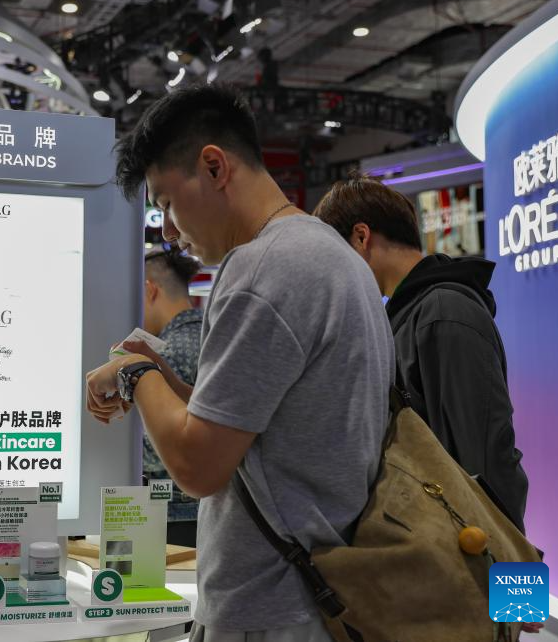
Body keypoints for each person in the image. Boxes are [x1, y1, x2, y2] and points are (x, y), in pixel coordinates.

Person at [85, 83, 394, 641]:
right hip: (314, 595)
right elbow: (252, 426)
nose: (168, 232)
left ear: (214, 166)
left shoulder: (261, 269)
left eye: (166, 204)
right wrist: (157, 377)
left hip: (269, 608)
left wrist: (136, 373)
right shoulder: (328, 254)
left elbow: (198, 469)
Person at [313, 176, 529, 531]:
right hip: (436, 539)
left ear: (362, 237)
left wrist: (508, 567)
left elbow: (486, 458)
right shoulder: (409, 316)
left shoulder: (444, 313)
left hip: (469, 546)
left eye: (334, 257)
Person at [136, 248, 203, 547]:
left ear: (150, 290)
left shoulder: (168, 353)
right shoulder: (215, 336)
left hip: (175, 516)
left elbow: (156, 449)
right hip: (206, 510)